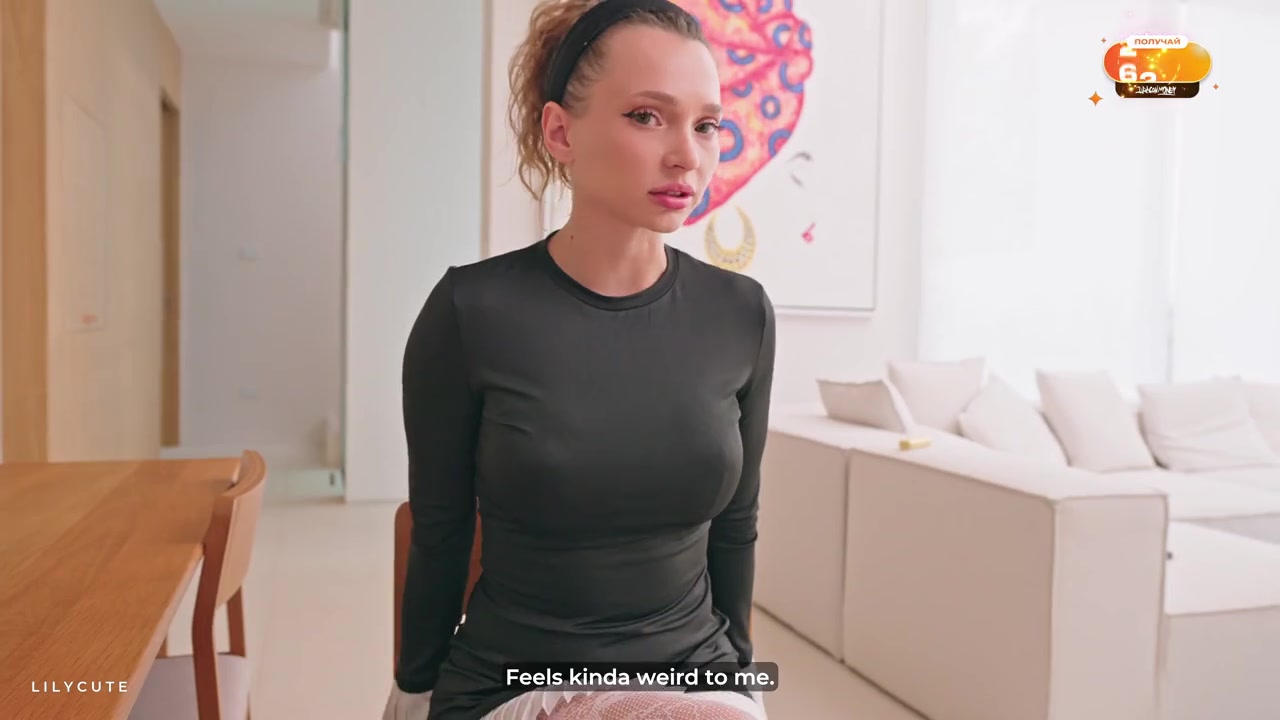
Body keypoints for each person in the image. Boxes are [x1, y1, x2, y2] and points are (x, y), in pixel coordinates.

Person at [383, 0, 776, 717]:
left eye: (706, 125)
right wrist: (413, 690)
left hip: (693, 675)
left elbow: (736, 526)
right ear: (560, 131)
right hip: (516, 681)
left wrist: (741, 684)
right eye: (647, 116)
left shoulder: (740, 313)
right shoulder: (472, 311)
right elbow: (441, 530)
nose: (687, 155)